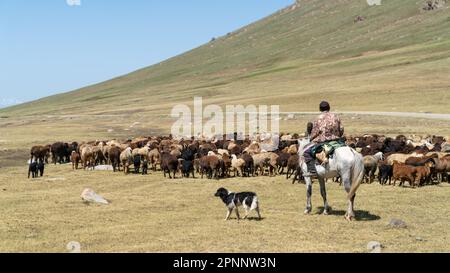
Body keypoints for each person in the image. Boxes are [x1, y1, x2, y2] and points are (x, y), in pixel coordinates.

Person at [303, 101, 344, 176]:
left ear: (320, 109)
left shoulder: (318, 118)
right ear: (329, 108)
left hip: (323, 142)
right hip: (337, 141)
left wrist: (311, 138)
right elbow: (341, 129)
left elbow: (315, 132)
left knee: (307, 152)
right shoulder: (336, 117)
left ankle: (312, 171)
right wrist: (338, 136)